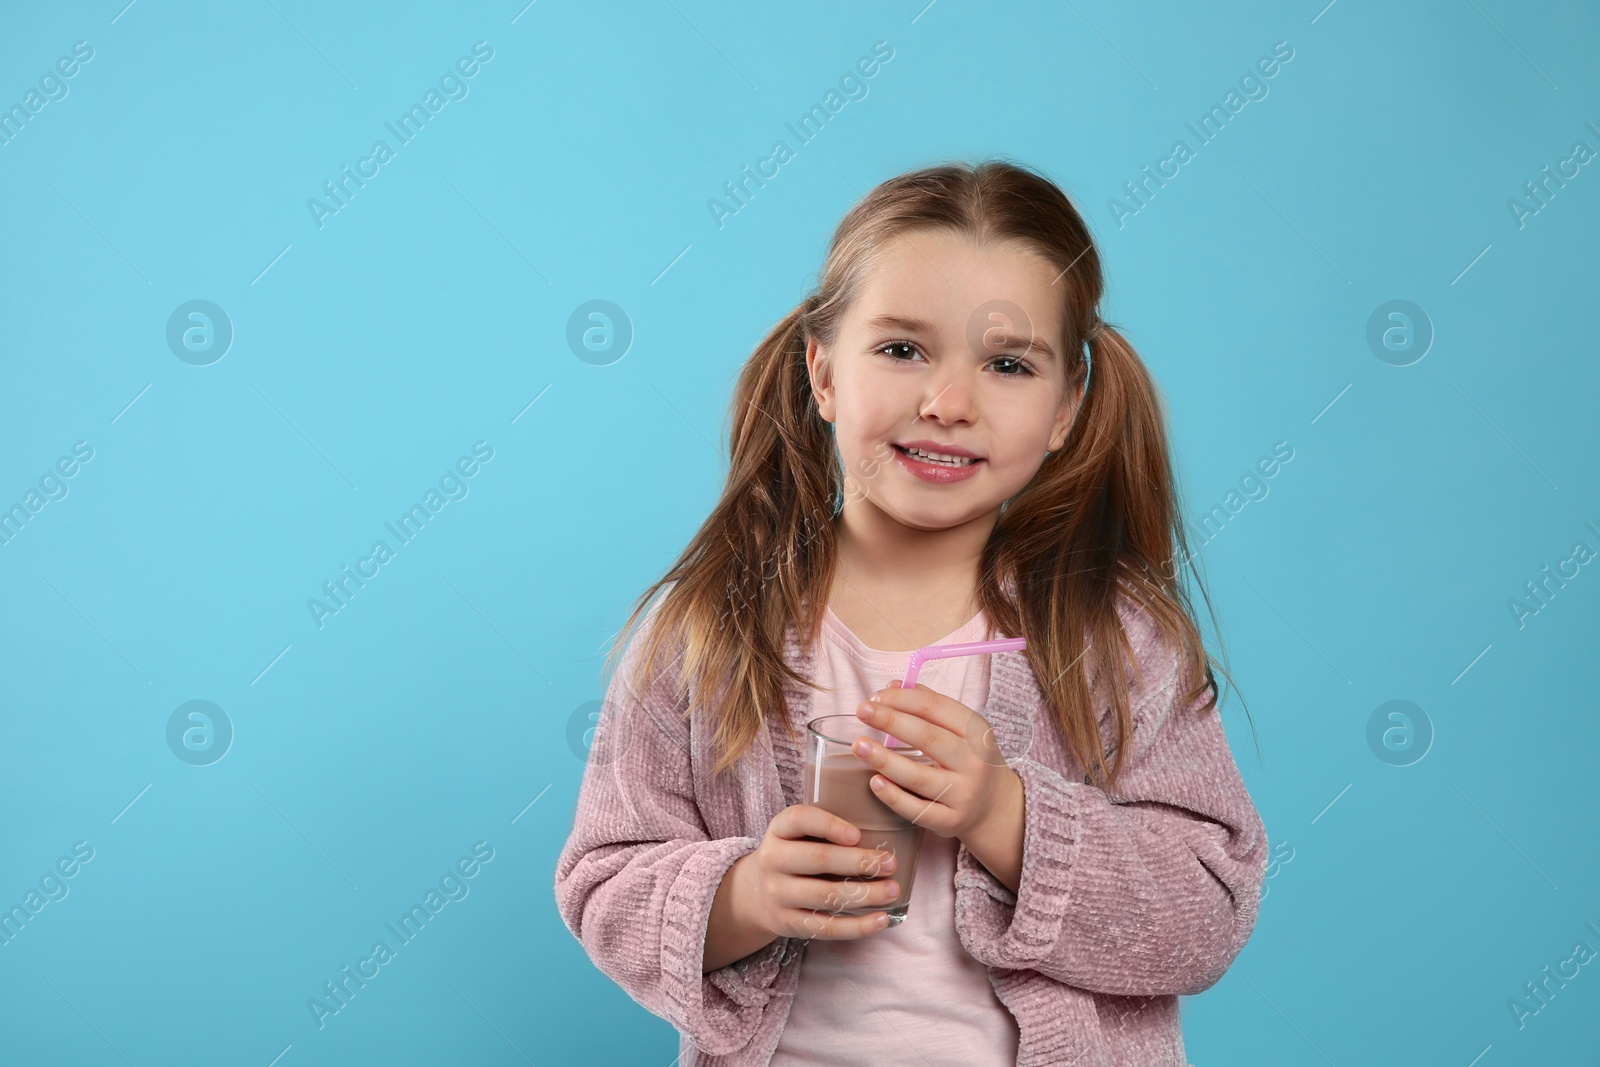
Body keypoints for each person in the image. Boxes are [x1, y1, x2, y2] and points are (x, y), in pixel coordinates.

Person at [554, 158, 1269, 1066]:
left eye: (1008, 364)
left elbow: (1207, 909)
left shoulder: (1111, 641)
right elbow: (604, 877)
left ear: (1065, 408)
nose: (948, 403)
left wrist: (1006, 814)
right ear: (822, 373)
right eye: (901, 349)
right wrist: (745, 893)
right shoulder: (708, 633)